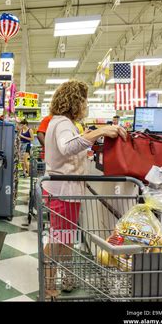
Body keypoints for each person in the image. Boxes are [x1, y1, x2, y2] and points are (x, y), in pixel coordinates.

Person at [43, 79, 126, 299]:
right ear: (75, 101)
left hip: (65, 191)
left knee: (65, 237)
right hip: (63, 191)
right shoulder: (62, 123)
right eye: (84, 101)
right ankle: (48, 285)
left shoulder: (63, 122)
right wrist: (100, 132)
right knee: (59, 238)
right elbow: (68, 147)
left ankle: (66, 278)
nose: (85, 106)